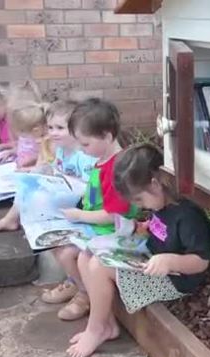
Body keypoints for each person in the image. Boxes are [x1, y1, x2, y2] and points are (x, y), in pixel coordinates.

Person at [66, 143, 210, 357]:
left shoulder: (188, 216)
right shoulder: (159, 204)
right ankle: (107, 323)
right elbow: (159, 230)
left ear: (155, 184)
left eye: (139, 200)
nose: (140, 205)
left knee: (99, 265)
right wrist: (139, 228)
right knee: (85, 256)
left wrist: (171, 261)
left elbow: (201, 261)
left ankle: (96, 329)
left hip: (174, 279)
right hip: (151, 259)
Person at [40, 98, 137, 321]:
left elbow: (114, 215)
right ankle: (79, 287)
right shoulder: (102, 158)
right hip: (95, 225)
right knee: (57, 245)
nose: (83, 150)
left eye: (85, 144)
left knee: (69, 253)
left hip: (112, 230)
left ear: (107, 136)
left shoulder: (116, 169)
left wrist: (80, 215)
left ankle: (85, 294)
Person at [0, 99, 97, 233]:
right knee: (27, 184)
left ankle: (24, 223)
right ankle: (10, 219)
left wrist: (59, 180)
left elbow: (89, 186)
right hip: (64, 192)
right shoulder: (61, 149)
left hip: (79, 202)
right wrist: (38, 173)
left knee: (36, 195)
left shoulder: (83, 155)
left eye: (60, 128)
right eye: (50, 127)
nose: (53, 132)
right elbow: (54, 168)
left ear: (77, 128)